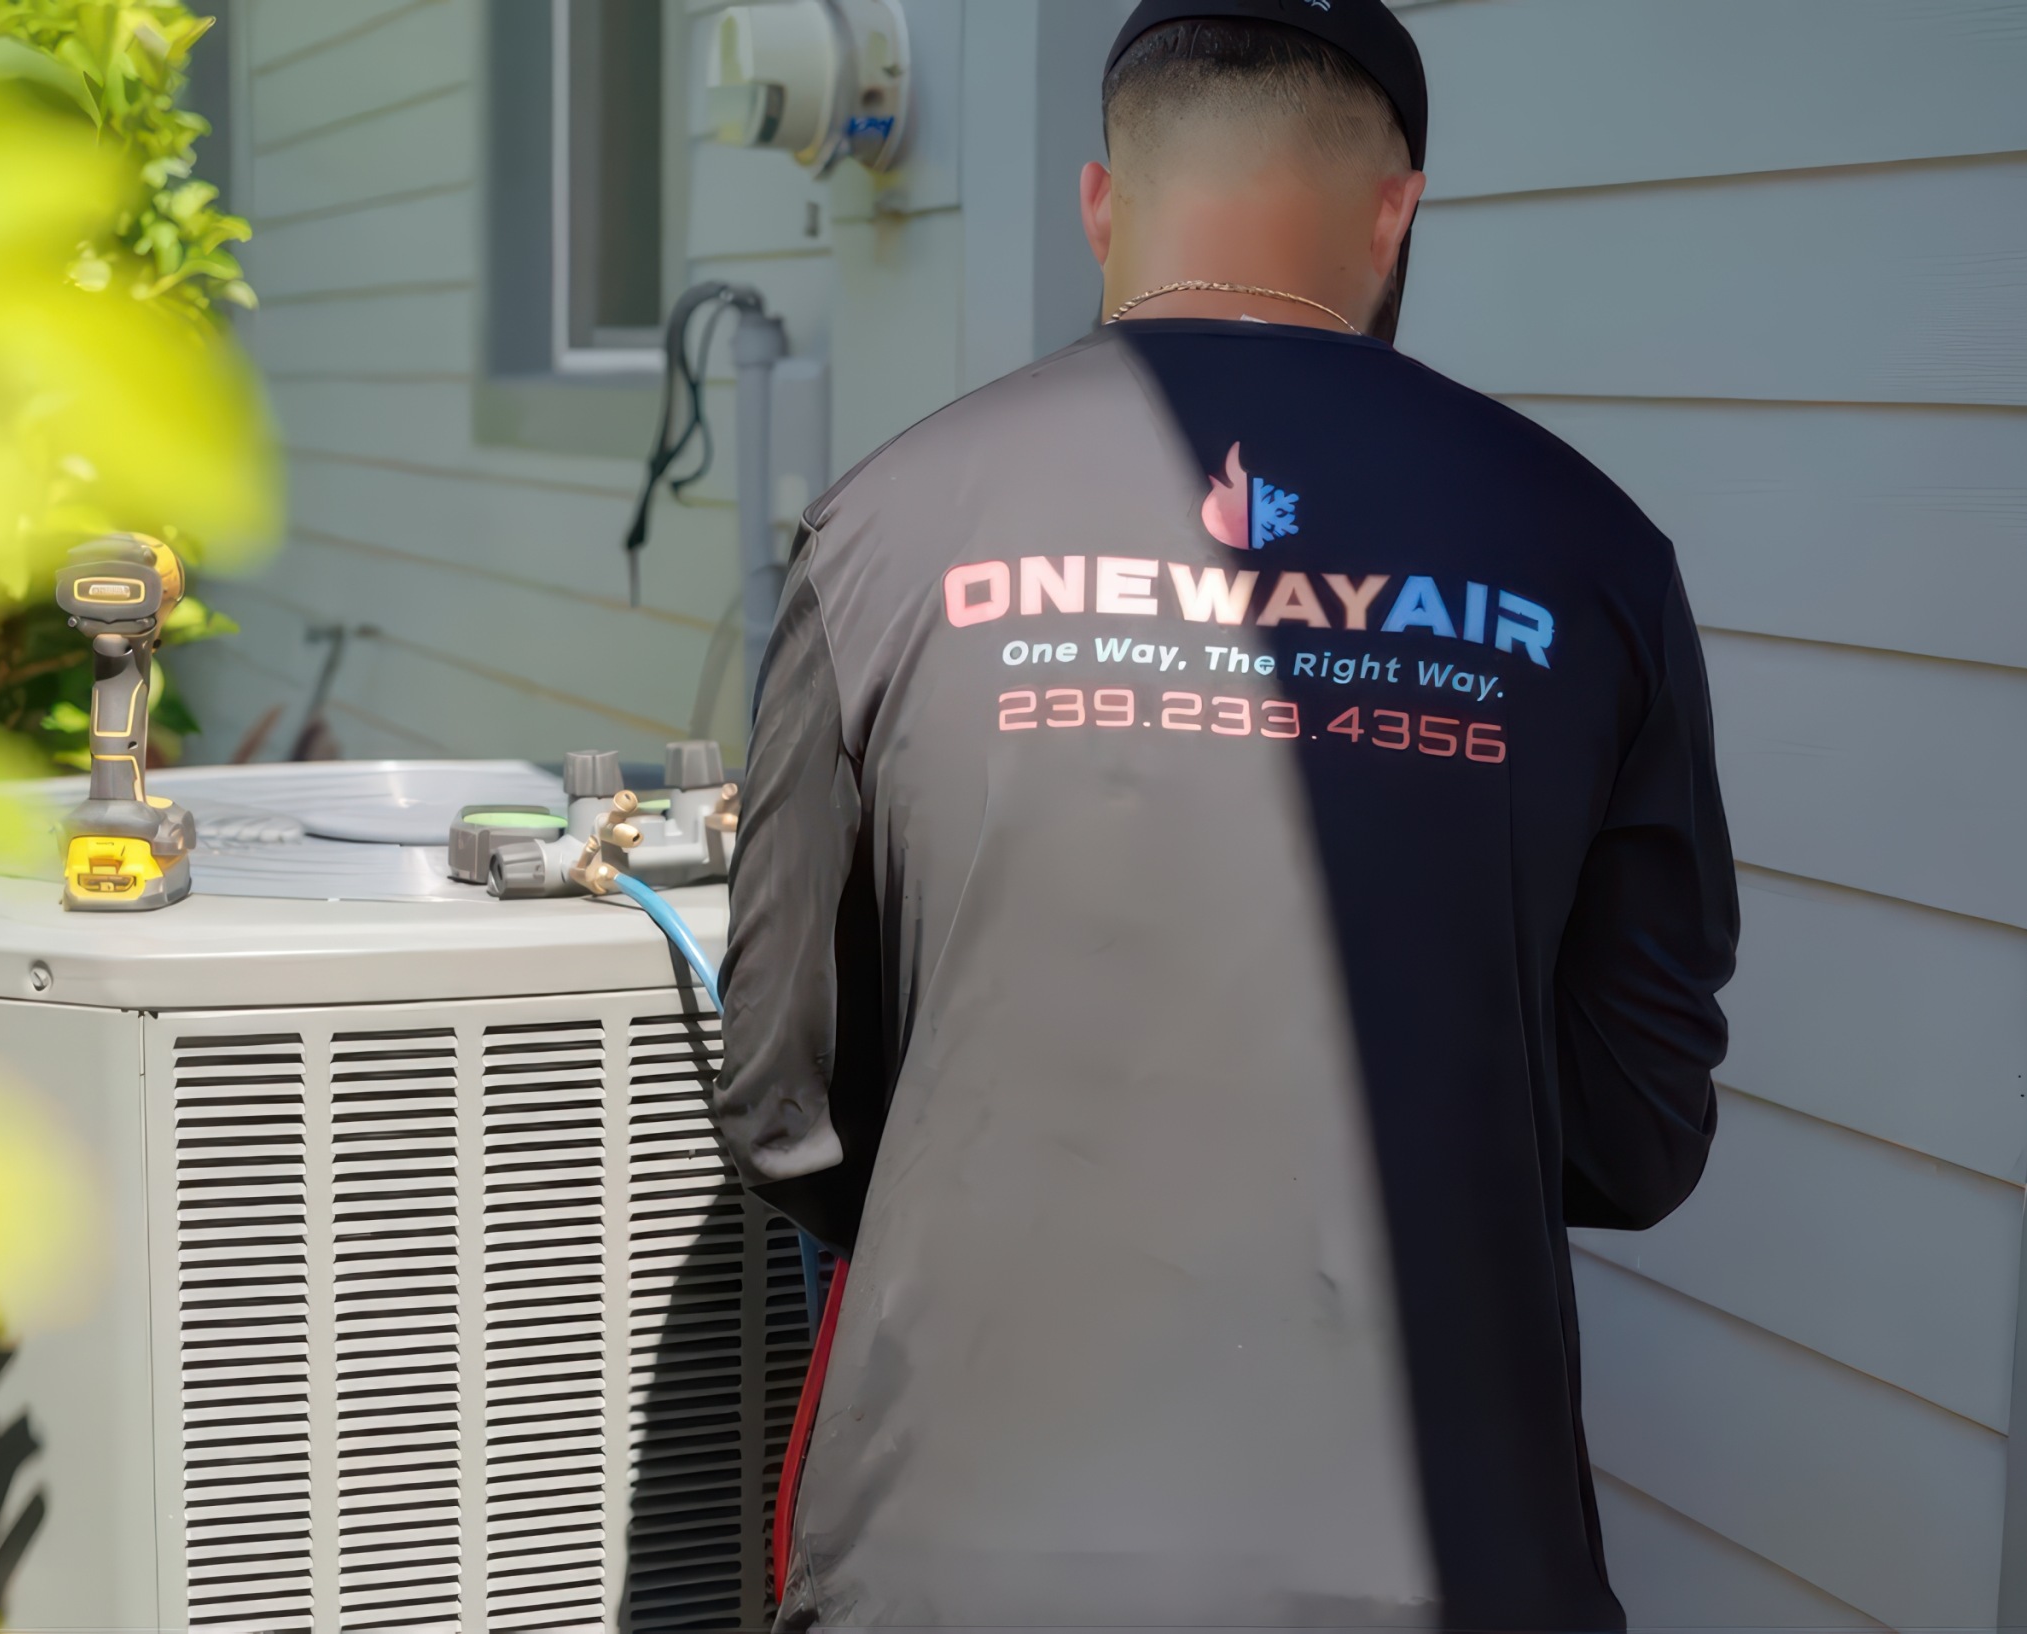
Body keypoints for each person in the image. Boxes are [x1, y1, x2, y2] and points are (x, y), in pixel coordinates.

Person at [714, 1, 1738, 1627]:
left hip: (960, 1555)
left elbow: (783, 1100)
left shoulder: (889, 527)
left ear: (1099, 203)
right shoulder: (1595, 556)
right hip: (1440, 1564)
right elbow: (1635, 1131)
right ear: (1395, 216)